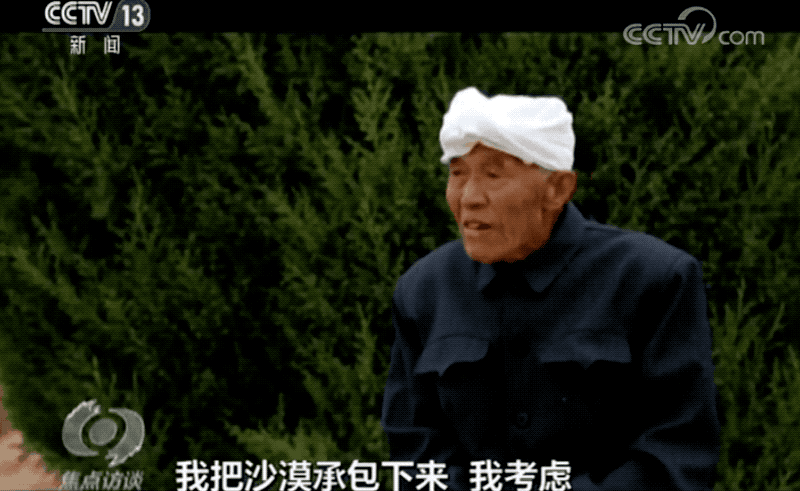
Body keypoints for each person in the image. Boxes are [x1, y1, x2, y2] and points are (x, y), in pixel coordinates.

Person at [381, 87, 720, 491]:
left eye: (493, 175)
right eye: (458, 174)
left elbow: (677, 449)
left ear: (557, 189)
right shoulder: (424, 290)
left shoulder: (652, 279)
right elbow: (416, 450)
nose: (469, 198)